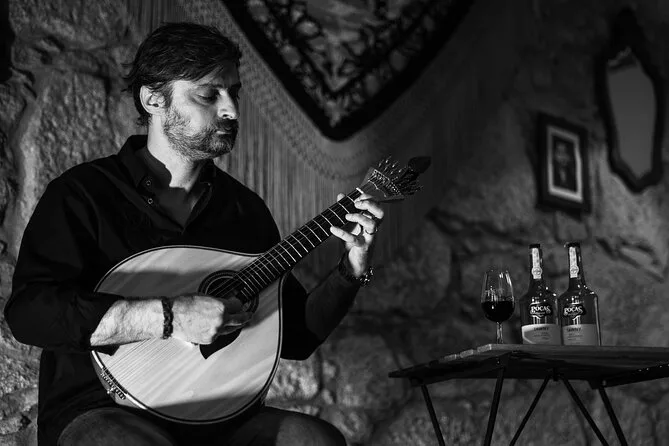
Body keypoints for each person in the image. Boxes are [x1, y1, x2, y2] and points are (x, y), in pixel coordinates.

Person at [4, 22, 384, 446]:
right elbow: (30, 314)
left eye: (234, 93)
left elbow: (296, 337)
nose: (231, 110)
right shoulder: (84, 195)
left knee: (314, 440)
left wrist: (350, 271)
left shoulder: (244, 211)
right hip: (102, 405)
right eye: (208, 94)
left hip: (219, 415)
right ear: (153, 99)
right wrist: (169, 316)